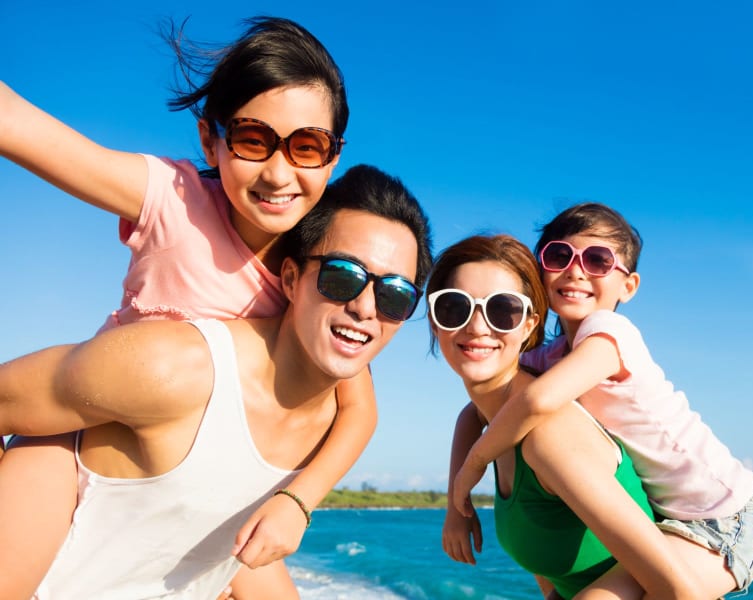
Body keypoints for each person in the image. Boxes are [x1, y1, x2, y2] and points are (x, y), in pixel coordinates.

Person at [0, 16, 365, 598]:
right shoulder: (172, 198)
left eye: (307, 146)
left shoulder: (319, 269)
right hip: (74, 438)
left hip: (195, 485)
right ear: (209, 140)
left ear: (333, 157)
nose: (279, 173)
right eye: (252, 139)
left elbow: (357, 409)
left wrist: (298, 503)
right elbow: (19, 126)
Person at [0, 164, 434, 599]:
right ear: (290, 278)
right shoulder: (173, 368)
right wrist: (26, 485)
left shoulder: (338, 418)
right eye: (342, 276)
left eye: (395, 295)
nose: (365, 307)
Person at [450, 204, 753, 599]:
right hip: (666, 521)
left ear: (628, 286)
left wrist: (475, 464)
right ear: (540, 271)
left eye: (598, 260)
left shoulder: (611, 334)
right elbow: (475, 412)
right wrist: (456, 507)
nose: (575, 270)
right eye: (558, 256)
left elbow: (537, 400)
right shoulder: (551, 356)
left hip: (723, 518)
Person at [430, 234, 699, 599]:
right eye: (454, 307)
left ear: (528, 325)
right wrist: (455, 507)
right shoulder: (495, 423)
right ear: (434, 320)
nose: (477, 327)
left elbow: (680, 592)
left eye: (502, 310)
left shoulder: (547, 437)